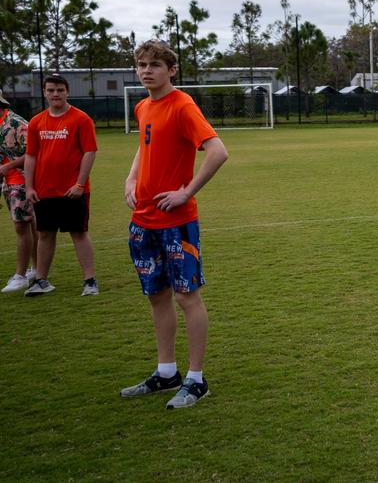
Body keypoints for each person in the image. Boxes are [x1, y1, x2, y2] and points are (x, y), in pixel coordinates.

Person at [120, 40, 228, 409]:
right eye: (141, 65)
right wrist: (131, 178)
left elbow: (218, 151)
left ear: (171, 70)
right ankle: (166, 372)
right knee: (157, 296)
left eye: (154, 65)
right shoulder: (143, 106)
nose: (146, 71)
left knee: (186, 297)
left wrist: (186, 192)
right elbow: (144, 145)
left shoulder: (182, 105)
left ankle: (196, 380)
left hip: (177, 222)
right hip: (143, 220)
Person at [23, 74, 98, 297]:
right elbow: (30, 156)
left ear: (67, 92)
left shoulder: (81, 119)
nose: (55, 94)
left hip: (73, 191)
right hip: (44, 191)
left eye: (60, 90)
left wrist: (79, 184)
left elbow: (89, 152)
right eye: (51, 90)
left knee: (79, 233)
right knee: (45, 234)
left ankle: (90, 281)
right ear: (44, 93)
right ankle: (41, 280)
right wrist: (29, 187)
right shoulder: (36, 122)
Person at [0, 88, 38, 293]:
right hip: (8, 182)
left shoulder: (16, 123)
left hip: (22, 181)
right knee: (28, 224)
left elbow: (35, 152)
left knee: (21, 226)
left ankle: (20, 275)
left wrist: (8, 167)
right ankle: (36, 268)